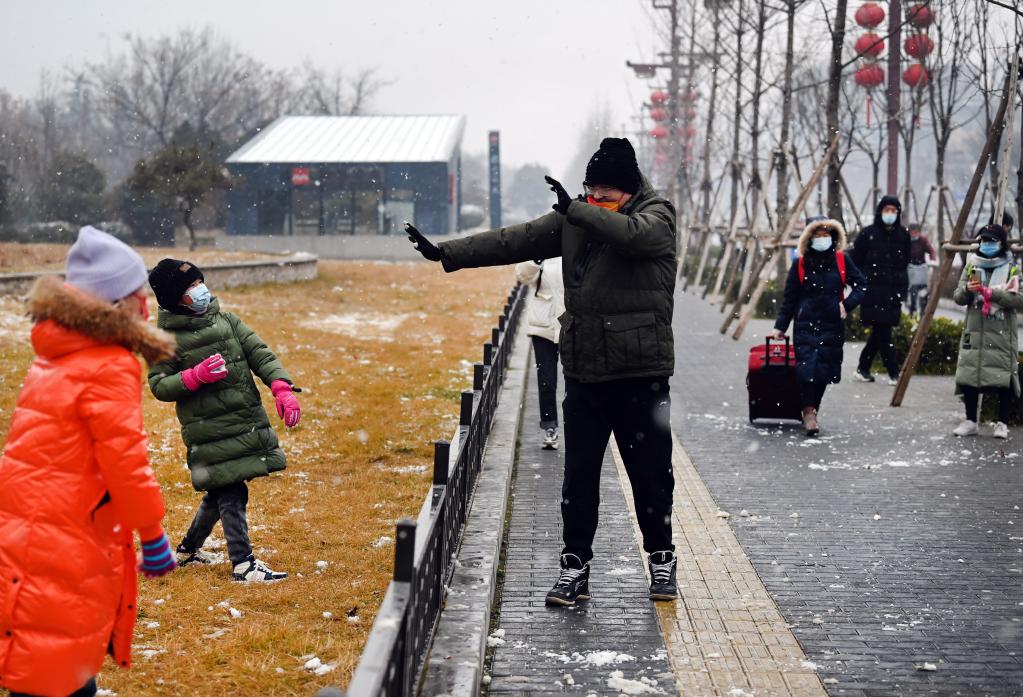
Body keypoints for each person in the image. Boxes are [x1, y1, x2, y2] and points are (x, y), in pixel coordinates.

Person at [405, 137, 679, 605]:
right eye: (590, 192)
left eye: (606, 195)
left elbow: (636, 237)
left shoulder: (657, 214)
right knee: (578, 479)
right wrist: (448, 253)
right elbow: (514, 239)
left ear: (629, 191)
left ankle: (661, 561)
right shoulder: (578, 217)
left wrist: (579, 210)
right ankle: (575, 567)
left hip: (640, 374)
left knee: (651, 476)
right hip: (586, 372)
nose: (595, 202)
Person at [0, 226, 176, 697]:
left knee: (42, 649)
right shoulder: (109, 364)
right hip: (67, 531)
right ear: (119, 303)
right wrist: (153, 535)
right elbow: (126, 461)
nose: (146, 302)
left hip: (30, 527)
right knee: (55, 660)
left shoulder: (56, 353)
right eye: (139, 292)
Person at [147, 259, 300, 583]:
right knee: (232, 491)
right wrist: (193, 377)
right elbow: (159, 385)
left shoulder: (226, 320)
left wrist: (281, 386)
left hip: (242, 420)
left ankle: (188, 551)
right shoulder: (164, 339)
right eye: (190, 287)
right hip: (209, 428)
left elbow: (259, 352)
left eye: (199, 282)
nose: (199, 290)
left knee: (220, 492)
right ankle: (243, 564)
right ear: (175, 298)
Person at [771, 219, 867, 436]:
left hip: (832, 324)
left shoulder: (842, 260)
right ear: (809, 238)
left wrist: (847, 304)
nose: (822, 238)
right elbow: (790, 298)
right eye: (817, 234)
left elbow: (862, 284)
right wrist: (780, 327)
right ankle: (809, 412)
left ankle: (813, 409)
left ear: (833, 237)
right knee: (806, 370)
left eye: (826, 234)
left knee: (823, 371)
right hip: (805, 324)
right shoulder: (801, 263)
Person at [951, 224, 1022, 439]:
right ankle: (971, 420)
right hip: (975, 328)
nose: (987, 245)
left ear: (1001, 243)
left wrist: (994, 294)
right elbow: (957, 297)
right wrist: (967, 290)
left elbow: (1019, 298)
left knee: (1003, 378)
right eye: (984, 241)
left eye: (992, 241)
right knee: (970, 374)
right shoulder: (971, 265)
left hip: (1001, 332)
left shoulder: (1012, 268)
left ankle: (1002, 422)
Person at [850, 195, 910, 385]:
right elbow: (855, 261)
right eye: (887, 210)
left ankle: (863, 368)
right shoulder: (868, 234)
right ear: (880, 211)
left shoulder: (903, 235)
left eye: (894, 210)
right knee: (883, 332)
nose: (890, 214)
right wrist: (860, 285)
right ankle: (894, 373)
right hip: (872, 292)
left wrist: (901, 290)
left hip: (893, 292)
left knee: (880, 331)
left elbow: (904, 263)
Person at [515, 258, 566, 449]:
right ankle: (549, 427)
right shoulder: (542, 248)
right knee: (547, 381)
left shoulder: (577, 243)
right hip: (543, 326)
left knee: (576, 382)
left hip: (572, 326)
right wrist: (536, 260)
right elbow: (522, 275)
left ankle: (576, 427)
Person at [906, 223, 936, 316]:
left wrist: (932, 259)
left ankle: (923, 311)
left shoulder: (923, 241)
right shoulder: (906, 241)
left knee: (924, 290)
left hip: (922, 268)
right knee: (913, 291)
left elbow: (931, 250)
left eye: (916, 232)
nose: (914, 234)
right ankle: (912, 310)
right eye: (912, 233)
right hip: (911, 268)